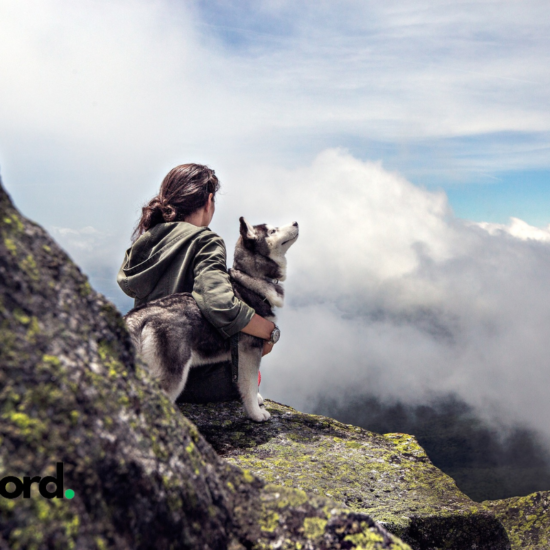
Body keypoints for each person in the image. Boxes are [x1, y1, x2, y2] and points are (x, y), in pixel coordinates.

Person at [117, 163, 278, 367]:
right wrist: (269, 331)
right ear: (209, 200)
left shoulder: (146, 241)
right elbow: (219, 303)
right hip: (194, 378)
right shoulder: (205, 241)